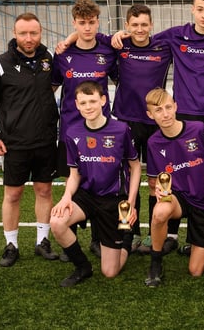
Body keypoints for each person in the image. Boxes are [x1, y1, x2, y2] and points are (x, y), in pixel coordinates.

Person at [113, 0, 204, 257]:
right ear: (192, 10)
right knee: (162, 174)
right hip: (177, 113)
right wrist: (115, 36)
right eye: (199, 9)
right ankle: (161, 233)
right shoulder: (175, 35)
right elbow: (128, 40)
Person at [59, 4, 173, 254]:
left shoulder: (164, 46)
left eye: (144, 24)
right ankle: (128, 233)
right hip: (124, 121)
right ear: (127, 26)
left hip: (156, 122)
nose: (140, 29)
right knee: (124, 179)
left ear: (151, 25)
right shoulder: (119, 46)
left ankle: (158, 234)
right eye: (134, 25)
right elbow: (93, 34)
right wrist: (70, 38)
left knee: (158, 180)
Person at [0, 12, 60, 267]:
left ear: (40, 33)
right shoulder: (0, 64)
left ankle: (42, 242)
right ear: (14, 34)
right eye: (23, 33)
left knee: (44, 190)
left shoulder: (49, 60)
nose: (28, 38)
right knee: (13, 194)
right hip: (14, 144)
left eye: (33, 33)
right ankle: (11, 244)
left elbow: (52, 88)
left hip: (46, 141)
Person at [50, 81, 140, 287]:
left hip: (113, 200)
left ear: (103, 100)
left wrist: (131, 202)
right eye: (83, 102)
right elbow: (74, 174)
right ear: (77, 105)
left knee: (110, 272)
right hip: (87, 196)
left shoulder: (121, 129)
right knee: (56, 221)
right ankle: (82, 267)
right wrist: (66, 197)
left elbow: (135, 167)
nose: (88, 106)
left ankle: (125, 240)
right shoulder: (72, 133)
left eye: (92, 101)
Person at [52, 0, 119, 259]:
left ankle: (97, 238)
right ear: (74, 23)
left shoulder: (108, 50)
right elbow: (52, 87)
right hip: (70, 130)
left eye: (91, 23)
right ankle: (72, 236)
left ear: (97, 22)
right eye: (82, 23)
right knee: (74, 180)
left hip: (102, 130)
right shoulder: (63, 54)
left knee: (100, 180)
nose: (87, 28)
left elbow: (120, 78)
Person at [143, 88, 204, 286]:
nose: (164, 114)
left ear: (175, 107)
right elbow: (156, 179)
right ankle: (156, 262)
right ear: (150, 115)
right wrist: (158, 190)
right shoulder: (153, 142)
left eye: (167, 107)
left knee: (195, 271)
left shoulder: (198, 129)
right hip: (179, 198)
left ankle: (198, 244)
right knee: (159, 211)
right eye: (158, 110)